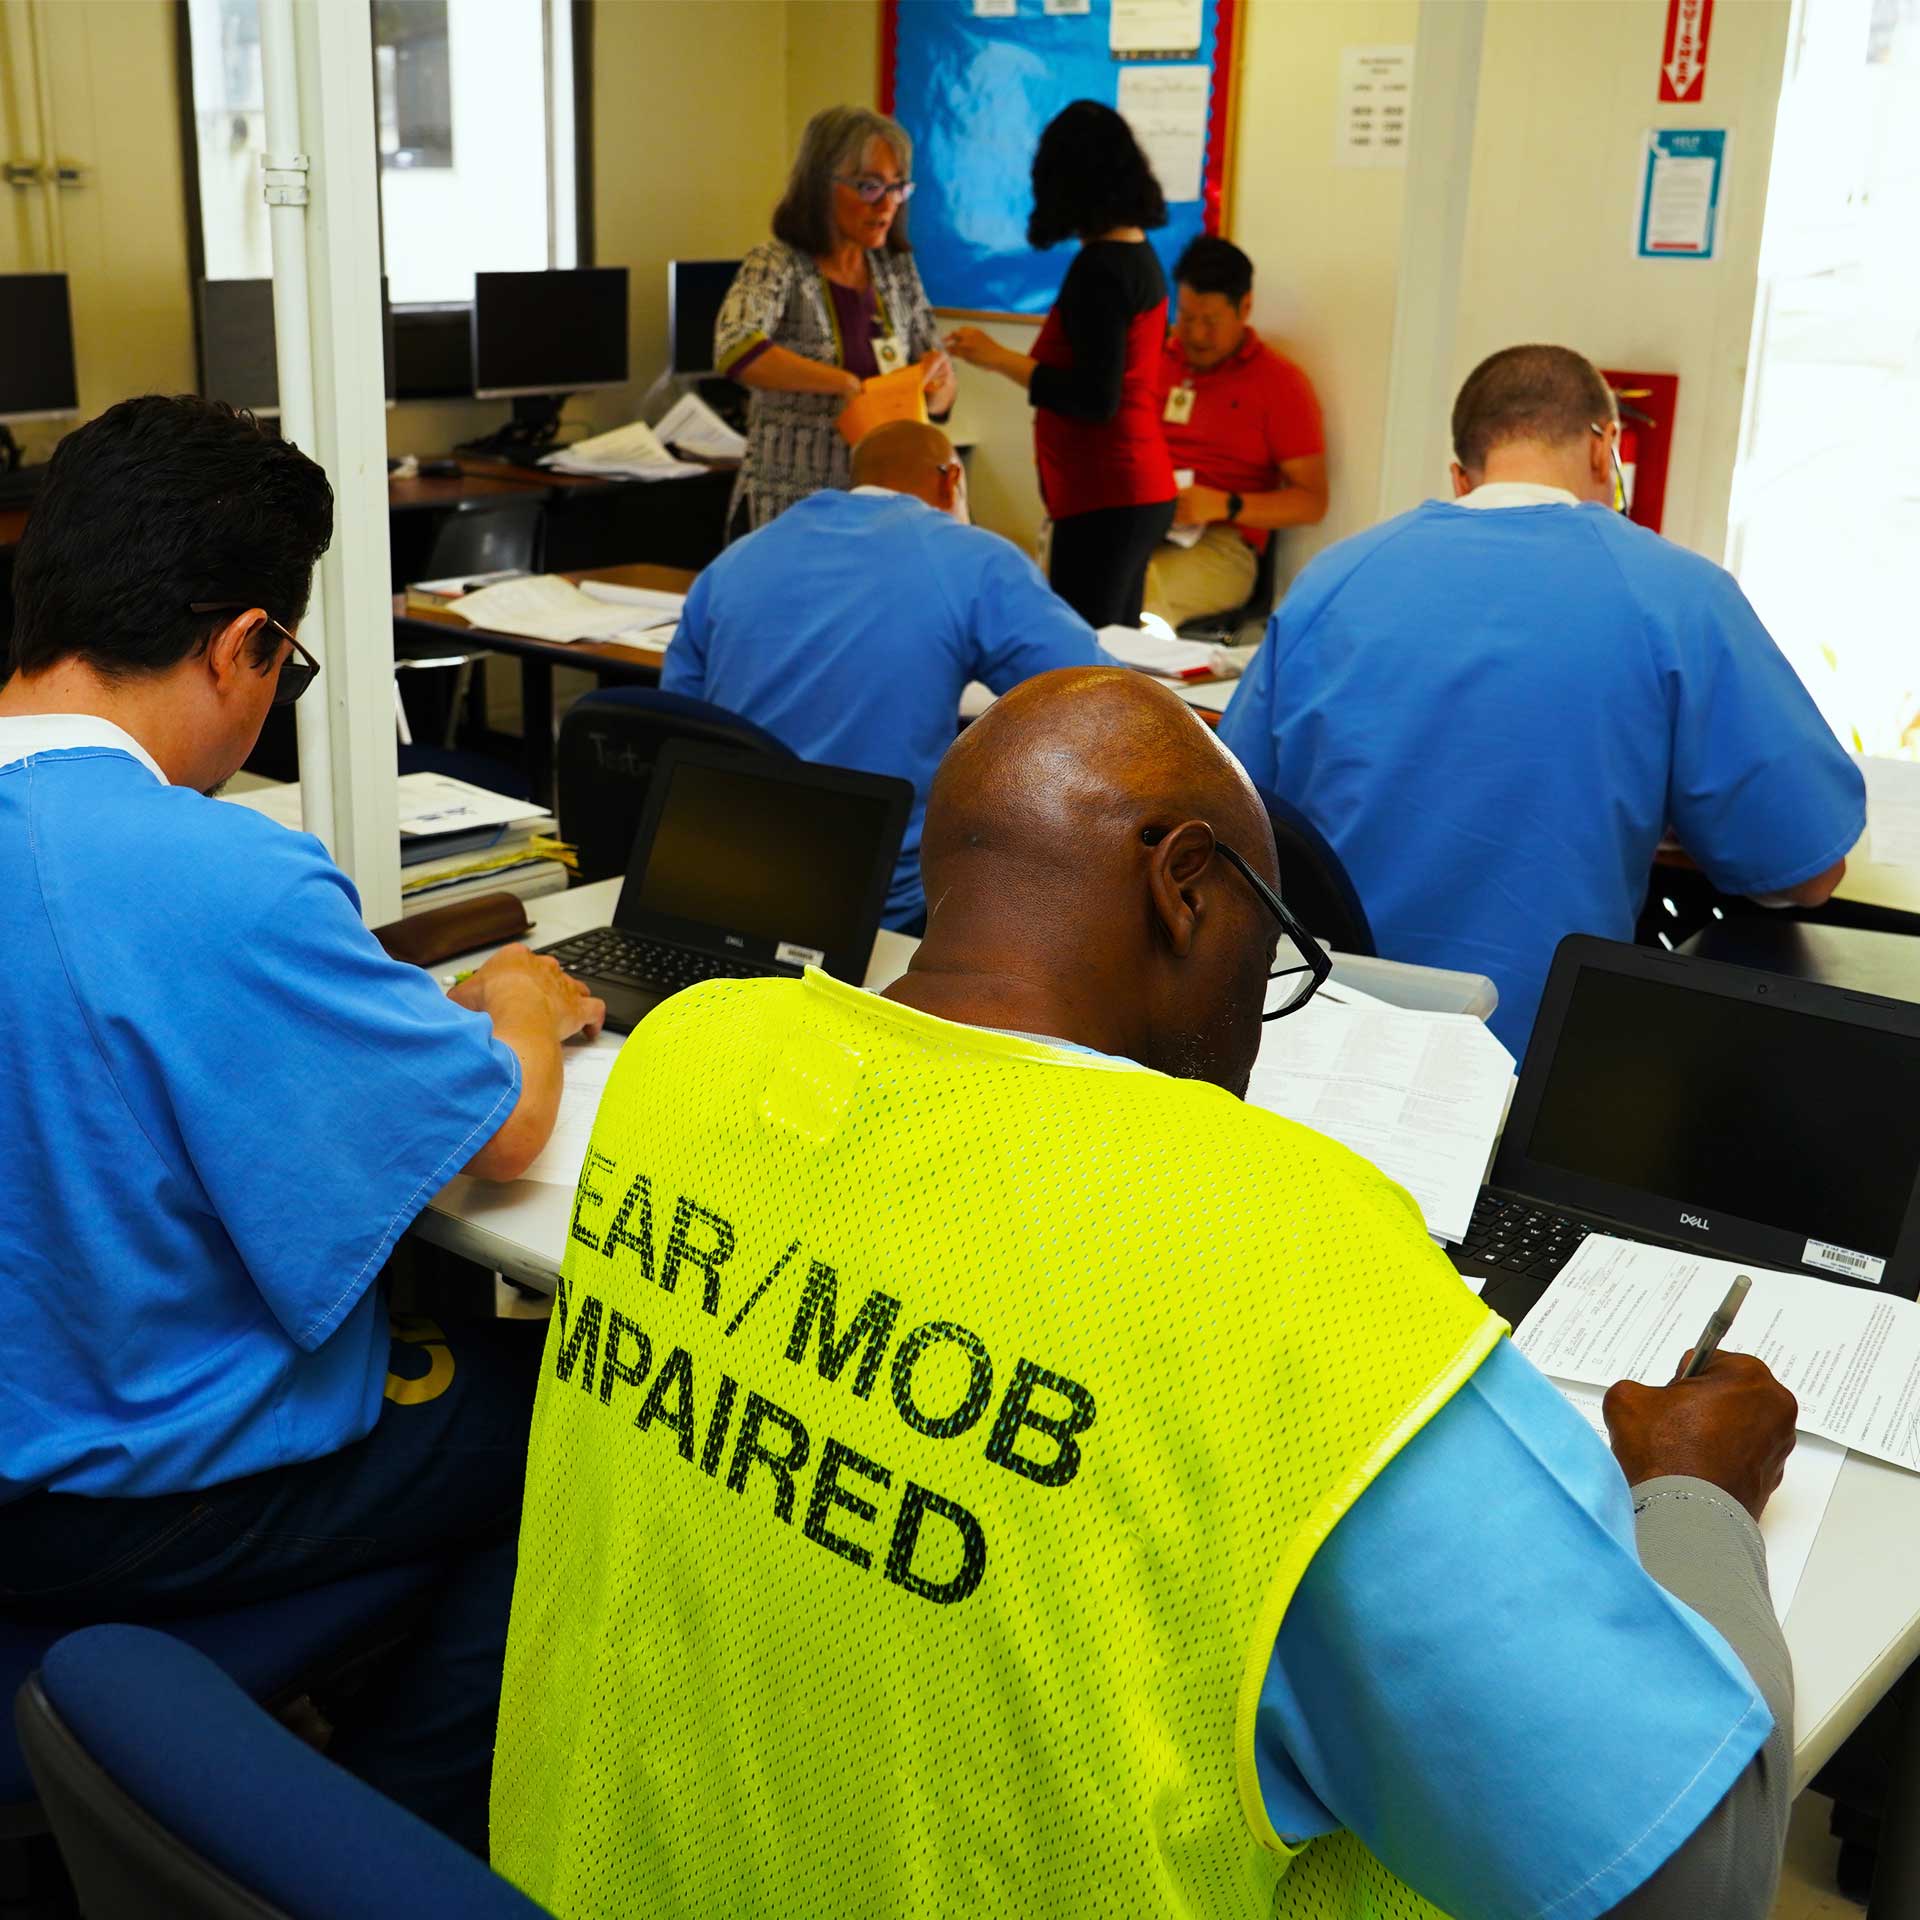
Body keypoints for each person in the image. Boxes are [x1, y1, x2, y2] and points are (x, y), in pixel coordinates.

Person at [492, 663, 1800, 1920]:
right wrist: (1697, 1496)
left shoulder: (693, 1053)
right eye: (1269, 954)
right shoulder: (1292, 1252)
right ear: (1185, 886)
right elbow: (1698, 1878)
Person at [0, 394, 605, 1854]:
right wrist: (522, 999)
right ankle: (380, 1842)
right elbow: (503, 1133)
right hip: (108, 1494)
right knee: (577, 1422)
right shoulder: (218, 874)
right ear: (241, 646)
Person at [1219, 344, 1864, 1058]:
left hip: (1320, 1043)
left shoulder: (1332, 578)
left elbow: (1232, 818)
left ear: (1461, 476)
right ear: (1605, 448)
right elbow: (1807, 872)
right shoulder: (1678, 595)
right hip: (1533, 1064)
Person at [662, 419, 1112, 933]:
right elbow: (1099, 694)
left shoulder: (737, 559)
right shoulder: (971, 559)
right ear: (951, 480)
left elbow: (680, 714)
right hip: (877, 902)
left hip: (718, 879)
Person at [946, 100, 1176, 628]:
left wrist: (996, 358)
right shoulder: (1139, 256)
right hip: (1132, 488)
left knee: (1083, 655)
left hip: (1108, 493)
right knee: (1113, 648)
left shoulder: (1100, 269)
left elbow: (1094, 398)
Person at [715, 105, 955, 534]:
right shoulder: (777, 264)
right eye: (870, 187)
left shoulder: (895, 269)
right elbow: (735, 348)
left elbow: (940, 396)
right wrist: (842, 383)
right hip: (792, 510)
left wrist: (936, 383)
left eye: (897, 188)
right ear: (820, 187)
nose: (887, 204)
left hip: (878, 512)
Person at [1143, 235, 1328, 629]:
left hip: (1223, 543)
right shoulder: (1155, 360)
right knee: (1072, 565)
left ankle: (1119, 671)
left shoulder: (1280, 384)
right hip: (1143, 523)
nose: (1196, 335)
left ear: (1245, 308)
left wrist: (1225, 505)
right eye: (1186, 317)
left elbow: (1312, 502)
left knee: (1141, 589)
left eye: (1211, 322)